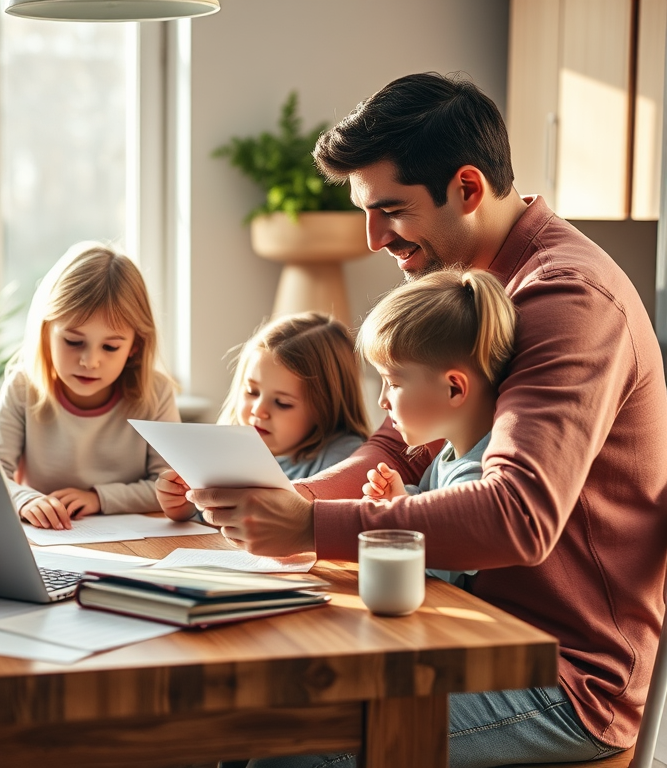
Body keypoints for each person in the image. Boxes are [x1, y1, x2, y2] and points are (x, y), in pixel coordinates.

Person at [189, 72, 667, 767]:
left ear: (467, 190)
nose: (373, 235)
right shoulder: (467, 281)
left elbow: (518, 515)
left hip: (558, 673)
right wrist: (293, 501)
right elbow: (397, 448)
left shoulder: (566, 299)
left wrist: (310, 526)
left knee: (288, 745)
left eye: (391, 210)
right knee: (245, 708)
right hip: (460, 627)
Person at [0, 243, 179, 530]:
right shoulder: (23, 386)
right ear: (46, 331)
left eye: (110, 347)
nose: (90, 361)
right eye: (73, 342)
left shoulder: (155, 393)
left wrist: (99, 498)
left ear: (135, 346)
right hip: (45, 540)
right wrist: (24, 499)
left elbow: (172, 487)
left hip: (133, 542)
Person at [358, 268, 516, 588]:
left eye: (393, 383)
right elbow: (433, 503)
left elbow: (444, 561)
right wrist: (403, 498)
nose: (382, 401)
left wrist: (399, 515)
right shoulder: (450, 453)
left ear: (454, 389)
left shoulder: (477, 473)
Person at [157, 312, 371, 522]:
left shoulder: (344, 457)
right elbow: (208, 516)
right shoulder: (225, 452)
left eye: (282, 403)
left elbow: (343, 521)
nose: (259, 411)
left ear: (326, 408)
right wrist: (184, 506)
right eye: (251, 392)